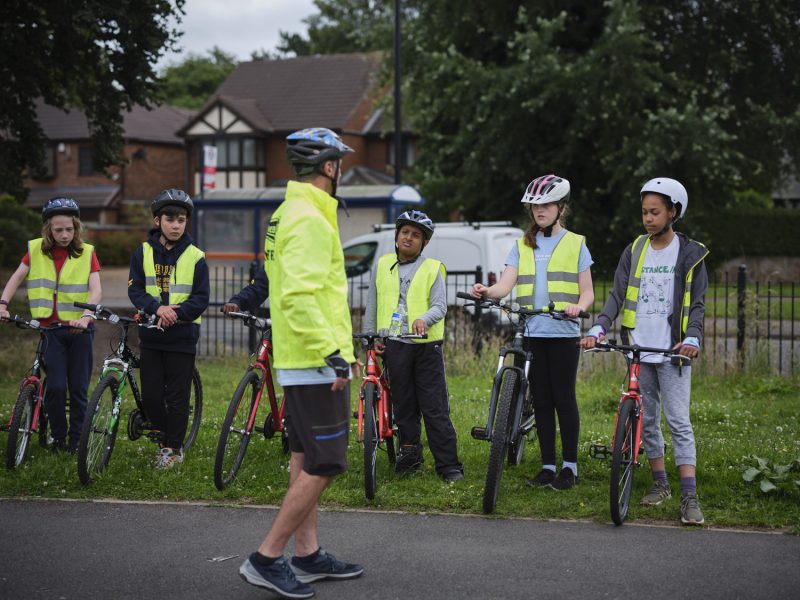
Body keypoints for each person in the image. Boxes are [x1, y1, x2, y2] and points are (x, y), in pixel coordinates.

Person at [238, 127, 363, 600]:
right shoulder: (310, 218)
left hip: (299, 353)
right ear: (329, 167)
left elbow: (279, 282)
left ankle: (307, 555)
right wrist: (332, 352)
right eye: (340, 163)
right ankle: (266, 558)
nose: (342, 170)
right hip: (315, 358)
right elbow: (296, 293)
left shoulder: (287, 211)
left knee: (304, 456)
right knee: (327, 462)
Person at [581, 177, 708, 526]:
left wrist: (693, 338)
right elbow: (616, 295)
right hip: (638, 349)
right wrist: (599, 326)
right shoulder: (635, 249)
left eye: (655, 212)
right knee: (647, 421)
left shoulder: (692, 253)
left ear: (673, 212)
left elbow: (696, 305)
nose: (648, 218)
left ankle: (689, 496)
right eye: (644, 212)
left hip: (673, 352)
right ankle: (659, 484)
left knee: (678, 421)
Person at [471, 175, 594, 491]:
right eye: (535, 205)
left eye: (547, 204)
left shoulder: (576, 243)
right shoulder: (521, 245)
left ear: (560, 208)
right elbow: (505, 284)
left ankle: (569, 467)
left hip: (563, 333)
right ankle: (547, 465)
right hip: (534, 331)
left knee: (563, 398)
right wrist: (487, 291)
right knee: (541, 401)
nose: (540, 210)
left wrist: (578, 307)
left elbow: (588, 293)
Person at [362, 210, 463, 482]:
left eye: (416, 235)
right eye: (405, 232)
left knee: (434, 407)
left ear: (424, 243)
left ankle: (449, 465)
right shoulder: (382, 264)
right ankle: (410, 454)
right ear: (396, 237)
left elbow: (440, 306)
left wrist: (423, 319)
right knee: (403, 405)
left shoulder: (433, 269)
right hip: (395, 346)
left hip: (425, 347)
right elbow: (372, 305)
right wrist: (370, 339)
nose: (409, 238)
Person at [0, 197, 101, 453]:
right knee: (55, 387)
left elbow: (96, 290)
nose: (65, 234)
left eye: (69, 229)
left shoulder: (87, 252)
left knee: (78, 389)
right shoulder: (34, 250)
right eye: (59, 230)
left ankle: (77, 441)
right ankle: (58, 436)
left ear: (76, 227)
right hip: (51, 331)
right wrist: (2, 303)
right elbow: (16, 278)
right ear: (48, 229)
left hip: (80, 330)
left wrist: (87, 317)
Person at [127, 189, 209, 469]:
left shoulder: (197, 257)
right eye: (170, 219)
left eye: (182, 220)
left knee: (176, 396)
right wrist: (156, 308)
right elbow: (135, 289)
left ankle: (172, 448)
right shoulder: (143, 252)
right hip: (151, 335)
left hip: (182, 338)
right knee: (151, 396)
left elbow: (200, 298)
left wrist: (176, 314)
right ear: (157, 220)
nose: (176, 225)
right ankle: (163, 434)